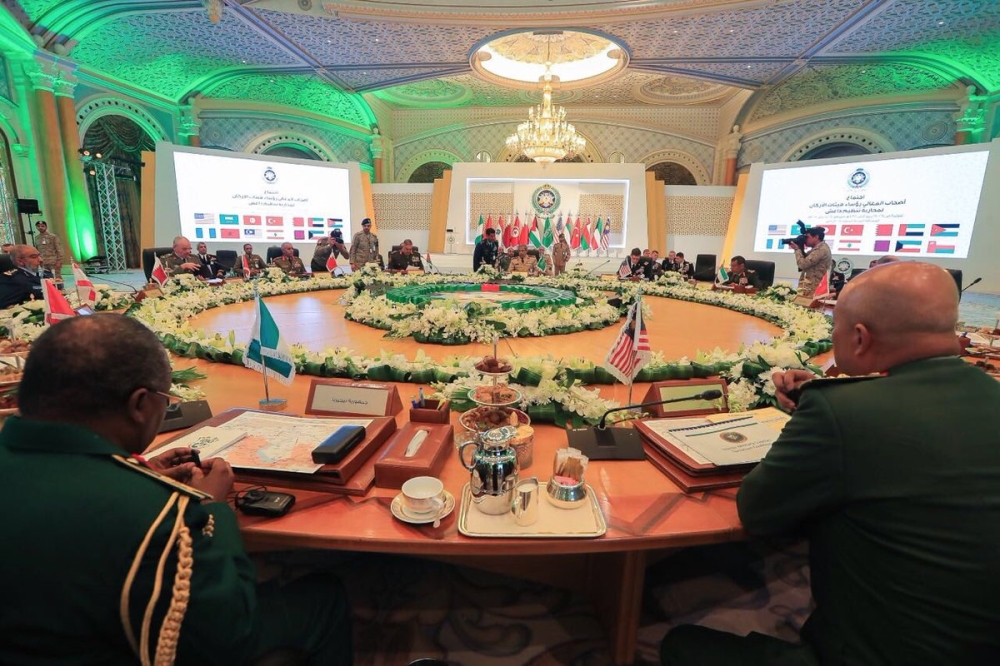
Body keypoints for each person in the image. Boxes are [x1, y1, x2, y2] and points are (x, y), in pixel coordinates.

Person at [660, 262, 1000, 666]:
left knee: (679, 644)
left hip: (873, 653)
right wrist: (829, 399)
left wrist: (828, 409)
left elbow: (757, 511)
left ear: (860, 337)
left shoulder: (841, 411)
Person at [0, 314, 351, 665]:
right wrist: (211, 507)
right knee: (323, 597)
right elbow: (229, 633)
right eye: (166, 399)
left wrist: (141, 473)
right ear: (140, 405)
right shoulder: (158, 514)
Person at [790, 227, 832, 297]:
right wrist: (800, 247)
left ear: (816, 237)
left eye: (807, 237)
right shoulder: (816, 249)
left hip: (814, 290)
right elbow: (805, 259)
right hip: (809, 288)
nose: (806, 239)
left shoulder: (821, 249)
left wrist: (797, 249)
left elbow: (803, 264)